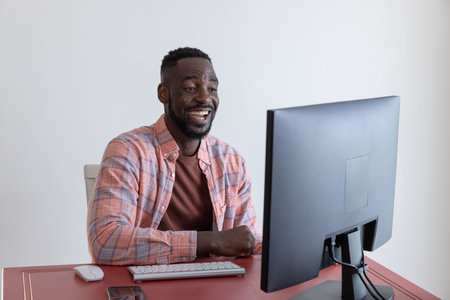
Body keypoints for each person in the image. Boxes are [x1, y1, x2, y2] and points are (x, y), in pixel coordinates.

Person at [87, 47, 262, 265]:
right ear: (163, 93)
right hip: (147, 286)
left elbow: (248, 241)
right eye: (191, 88)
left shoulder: (232, 161)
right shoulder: (128, 151)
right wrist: (210, 241)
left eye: (212, 89)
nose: (204, 98)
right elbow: (105, 241)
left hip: (216, 286)